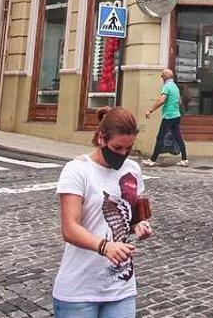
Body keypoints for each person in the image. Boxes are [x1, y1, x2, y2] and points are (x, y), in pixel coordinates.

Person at [54, 107, 153, 318]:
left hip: (121, 288)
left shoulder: (133, 169)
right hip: (79, 291)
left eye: (129, 148)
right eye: (117, 148)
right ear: (101, 138)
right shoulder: (77, 170)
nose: (123, 154)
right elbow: (70, 229)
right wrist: (105, 247)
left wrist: (139, 226)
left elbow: (134, 216)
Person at [143, 68, 186, 167]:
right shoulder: (175, 87)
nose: (161, 76)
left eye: (162, 75)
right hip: (176, 115)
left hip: (168, 116)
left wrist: (151, 110)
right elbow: (179, 101)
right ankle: (184, 159)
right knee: (178, 137)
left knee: (160, 137)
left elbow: (161, 100)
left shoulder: (167, 86)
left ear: (166, 76)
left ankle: (152, 160)